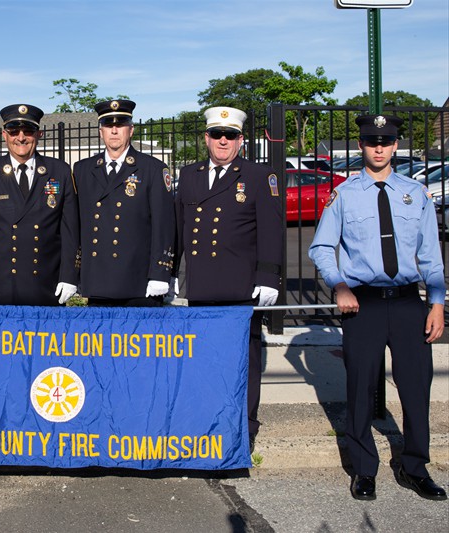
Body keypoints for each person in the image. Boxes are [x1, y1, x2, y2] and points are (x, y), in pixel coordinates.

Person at [309, 114, 447, 502]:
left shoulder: (415, 194)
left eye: (386, 141)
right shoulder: (345, 194)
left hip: (407, 304)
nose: (380, 148)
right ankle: (364, 469)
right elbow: (321, 247)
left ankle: (416, 467)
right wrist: (338, 285)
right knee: (360, 389)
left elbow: (431, 256)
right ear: (361, 146)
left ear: (396, 145)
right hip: (363, 306)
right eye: (372, 141)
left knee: (417, 389)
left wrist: (436, 303)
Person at [175, 106, 283, 453]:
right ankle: (206, 424)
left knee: (243, 360)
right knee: (203, 357)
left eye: (231, 135)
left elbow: (271, 229)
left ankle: (243, 428)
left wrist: (268, 276)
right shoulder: (188, 175)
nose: (223, 141)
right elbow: (178, 229)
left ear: (240, 140)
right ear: (206, 138)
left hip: (241, 286)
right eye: (217, 135)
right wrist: (170, 274)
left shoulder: (257, 175)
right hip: (202, 286)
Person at [0, 104, 79, 306]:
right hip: (0, 284)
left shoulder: (59, 171)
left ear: (39, 134)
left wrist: (69, 275)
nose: (21, 137)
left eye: (28, 131)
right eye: (13, 131)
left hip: (47, 282)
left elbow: (70, 230)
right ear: (4, 134)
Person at [73, 99, 175, 306]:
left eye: (120, 125)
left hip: (139, 280)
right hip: (98, 278)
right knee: (100, 338)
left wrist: (160, 272)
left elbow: (163, 225)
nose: (114, 131)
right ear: (101, 131)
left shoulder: (152, 169)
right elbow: (74, 224)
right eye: (108, 126)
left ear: (131, 130)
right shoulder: (83, 169)